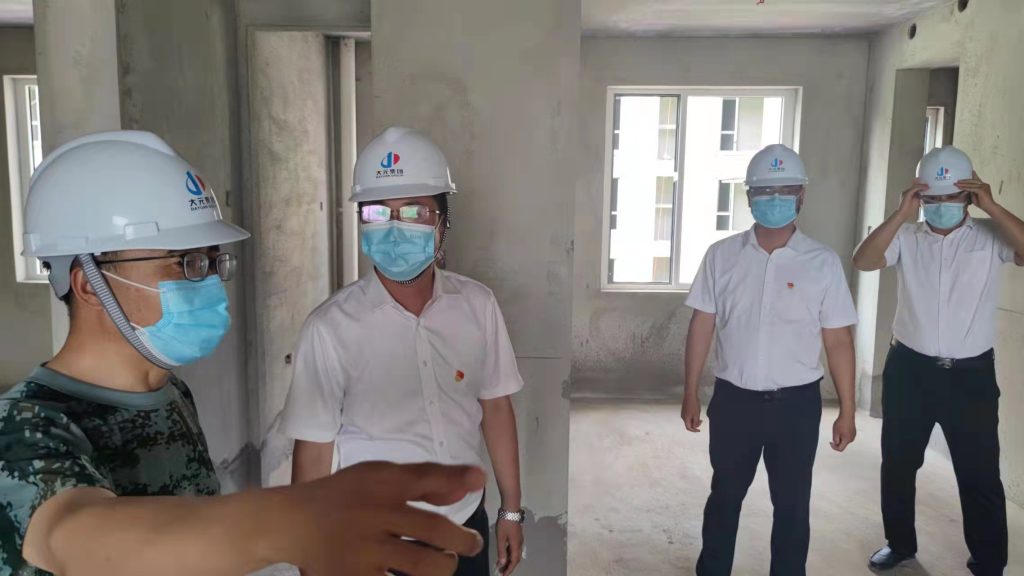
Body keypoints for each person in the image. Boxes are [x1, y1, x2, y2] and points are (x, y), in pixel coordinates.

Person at [0, 130, 486, 576]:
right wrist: (292, 521)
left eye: (213, 261)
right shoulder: (25, 425)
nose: (210, 281)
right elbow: (72, 535)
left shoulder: (169, 395)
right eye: (184, 262)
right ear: (89, 284)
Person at [281, 127, 527, 576]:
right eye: (377, 212)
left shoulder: (477, 305)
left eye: (414, 211)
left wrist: (510, 510)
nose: (394, 227)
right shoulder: (330, 327)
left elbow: (495, 406)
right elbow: (314, 451)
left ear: (443, 222)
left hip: (465, 525)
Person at [680, 144, 859, 576]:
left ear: (802, 196)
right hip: (734, 402)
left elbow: (838, 341)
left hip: (796, 406)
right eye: (764, 191)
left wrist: (848, 410)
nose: (775, 199)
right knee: (724, 497)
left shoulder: (822, 262)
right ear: (748, 197)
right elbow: (702, 325)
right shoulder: (721, 256)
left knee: (793, 505)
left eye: (786, 190)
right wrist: (689, 391)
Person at [854, 146, 1023, 576]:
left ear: (968, 196)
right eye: (932, 199)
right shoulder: (906, 237)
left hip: (970, 377)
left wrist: (993, 206)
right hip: (910, 371)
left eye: (951, 197)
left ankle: (989, 561)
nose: (941, 206)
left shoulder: (991, 235)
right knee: (899, 463)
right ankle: (899, 544)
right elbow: (863, 260)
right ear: (920, 197)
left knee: (979, 472)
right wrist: (900, 214)